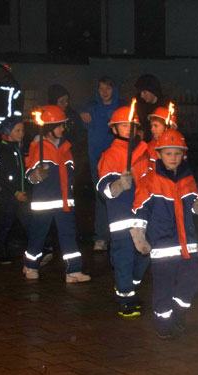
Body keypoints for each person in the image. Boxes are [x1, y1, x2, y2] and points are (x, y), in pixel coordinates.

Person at [131, 129, 198, 339]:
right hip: (162, 245)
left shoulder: (189, 179)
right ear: (159, 154)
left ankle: (176, 313)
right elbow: (139, 209)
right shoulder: (150, 180)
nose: (173, 158)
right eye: (168, 153)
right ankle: (163, 323)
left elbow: (194, 208)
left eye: (177, 153)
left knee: (195, 279)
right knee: (163, 288)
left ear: (183, 154)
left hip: (187, 244)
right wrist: (139, 235)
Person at [23, 105, 90, 282]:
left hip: (64, 203)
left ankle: (73, 271)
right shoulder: (39, 147)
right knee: (38, 235)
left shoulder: (66, 148)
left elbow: (70, 174)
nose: (63, 129)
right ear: (50, 128)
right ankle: (30, 266)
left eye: (63, 125)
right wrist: (36, 174)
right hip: (44, 203)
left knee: (69, 235)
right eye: (59, 125)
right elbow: (29, 174)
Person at [97, 107, 153, 318]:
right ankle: (126, 298)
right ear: (114, 129)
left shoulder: (144, 153)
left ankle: (128, 283)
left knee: (144, 255)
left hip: (143, 215)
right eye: (123, 125)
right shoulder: (110, 156)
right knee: (124, 257)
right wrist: (118, 185)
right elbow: (103, 188)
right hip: (121, 217)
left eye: (131, 125)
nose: (128, 129)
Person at [81, 76, 125, 252]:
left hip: (117, 159)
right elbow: (76, 115)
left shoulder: (122, 108)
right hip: (97, 162)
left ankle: (119, 236)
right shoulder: (91, 108)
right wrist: (81, 113)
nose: (104, 92)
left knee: (120, 196)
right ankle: (101, 236)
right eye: (101, 88)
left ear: (114, 89)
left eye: (108, 88)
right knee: (102, 197)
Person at [0, 117, 29, 263]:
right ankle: (0, 248)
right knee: (6, 223)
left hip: (21, 194)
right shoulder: (3, 150)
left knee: (27, 222)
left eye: (22, 130)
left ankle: (36, 247)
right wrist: (15, 192)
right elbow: (3, 175)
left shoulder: (18, 148)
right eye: (17, 130)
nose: (21, 133)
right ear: (8, 132)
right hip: (10, 196)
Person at [134, 74, 167, 143]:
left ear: (153, 91)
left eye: (144, 92)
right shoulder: (139, 105)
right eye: (140, 92)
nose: (142, 96)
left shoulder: (166, 107)